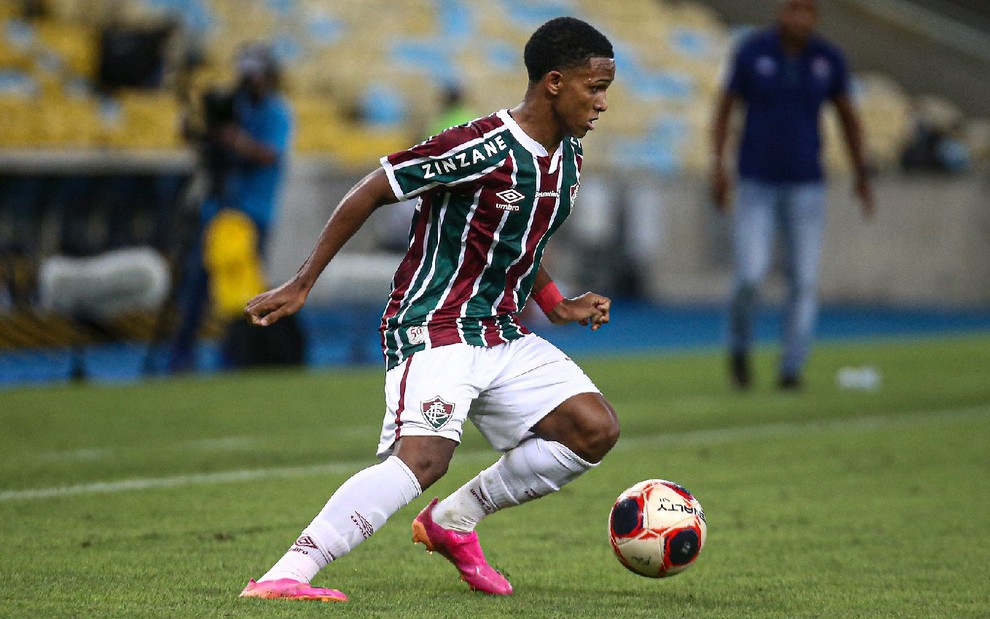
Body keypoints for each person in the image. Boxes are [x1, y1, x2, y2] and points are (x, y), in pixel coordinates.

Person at [239, 16, 618, 602]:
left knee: (591, 429)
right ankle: (285, 575)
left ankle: (454, 521)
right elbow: (373, 188)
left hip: (499, 332)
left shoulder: (567, 157)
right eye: (594, 88)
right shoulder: (482, 146)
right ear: (553, 82)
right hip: (435, 325)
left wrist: (557, 303)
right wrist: (301, 281)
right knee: (423, 460)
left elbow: (520, 241)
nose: (601, 104)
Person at [711, 0, 875, 390]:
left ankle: (791, 368)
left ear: (815, 17)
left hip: (807, 185)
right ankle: (739, 347)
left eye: (805, 11)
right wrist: (719, 165)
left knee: (803, 279)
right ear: (780, 13)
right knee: (750, 275)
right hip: (756, 183)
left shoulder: (827, 58)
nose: (797, 19)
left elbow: (848, 116)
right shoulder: (753, 51)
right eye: (791, 10)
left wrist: (861, 172)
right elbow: (724, 109)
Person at [168, 42, 294, 372]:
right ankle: (184, 352)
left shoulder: (276, 111)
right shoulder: (234, 105)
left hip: (252, 213)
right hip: (219, 209)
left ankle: (238, 352)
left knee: (243, 289)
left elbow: (269, 154)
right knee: (197, 281)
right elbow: (210, 140)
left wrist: (232, 139)